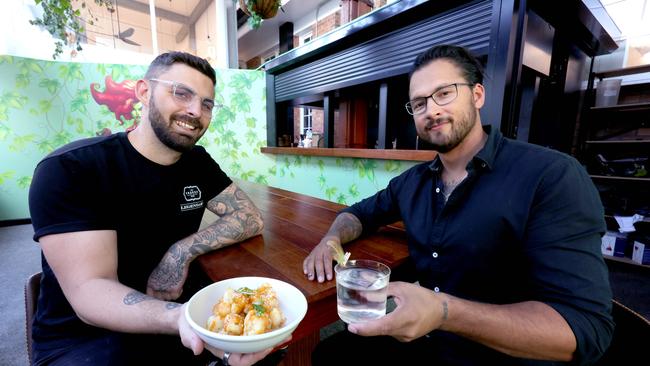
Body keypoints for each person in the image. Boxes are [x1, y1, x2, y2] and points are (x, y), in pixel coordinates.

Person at [303, 45, 614, 365]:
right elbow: (359, 213)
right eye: (419, 103)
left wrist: (445, 312)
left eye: (444, 93)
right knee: (331, 354)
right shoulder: (412, 183)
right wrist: (332, 238)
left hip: (509, 358)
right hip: (433, 342)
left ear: (477, 95)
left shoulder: (550, 176)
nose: (431, 110)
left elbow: (585, 328)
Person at [28, 52, 275, 366]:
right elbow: (90, 292)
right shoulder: (72, 168)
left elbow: (249, 217)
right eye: (181, 93)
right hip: (84, 339)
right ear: (144, 92)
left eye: (207, 103)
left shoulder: (196, 161)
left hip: (173, 312)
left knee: (264, 349)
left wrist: (180, 251)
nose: (195, 111)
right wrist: (181, 318)